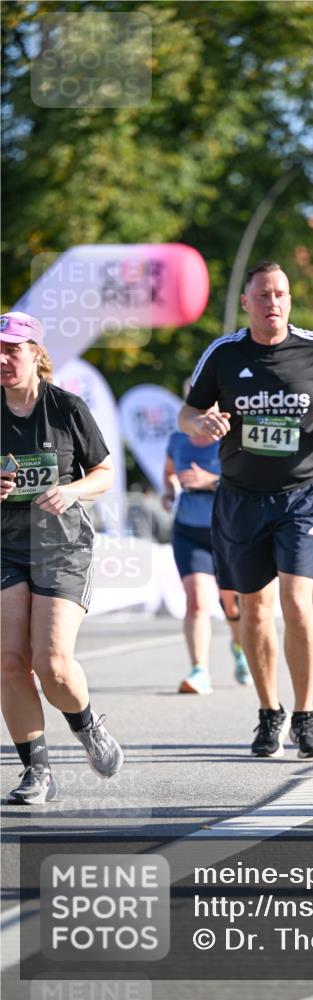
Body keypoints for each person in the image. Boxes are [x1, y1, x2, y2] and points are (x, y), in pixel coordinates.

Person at [178, 261, 313, 758]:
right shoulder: (224, 354)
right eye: (262, 295)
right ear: (246, 302)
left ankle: (305, 717)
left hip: (302, 493)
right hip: (241, 497)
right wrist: (202, 425)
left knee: (296, 602)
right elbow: (187, 411)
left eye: (280, 294)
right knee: (254, 608)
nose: (273, 303)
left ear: (290, 300)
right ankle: (269, 713)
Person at [0, 311, 123, 805]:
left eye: (12, 349)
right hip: (6, 546)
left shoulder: (66, 407)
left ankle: (87, 724)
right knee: (9, 660)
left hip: (62, 548)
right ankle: (37, 771)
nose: (4, 359)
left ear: (35, 354)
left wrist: (72, 491)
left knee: (52, 663)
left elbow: (105, 472)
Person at [163, 383, 251, 694]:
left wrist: (211, 480)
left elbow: (248, 479)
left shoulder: (231, 438)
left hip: (227, 530)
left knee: (232, 604)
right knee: (197, 600)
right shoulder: (177, 439)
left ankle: (240, 650)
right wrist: (169, 489)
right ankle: (199, 669)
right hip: (188, 529)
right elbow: (170, 471)